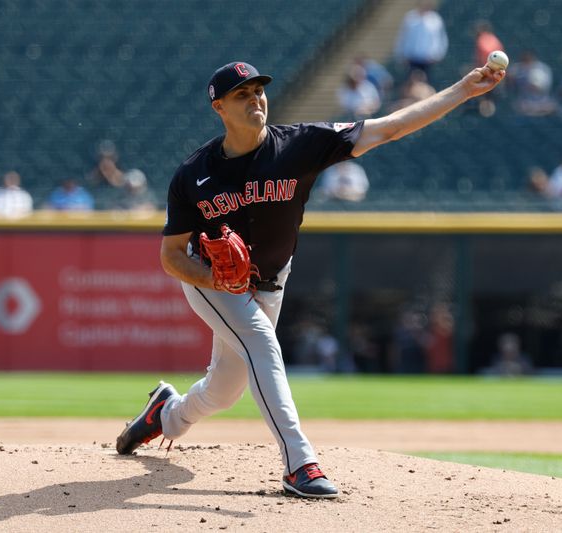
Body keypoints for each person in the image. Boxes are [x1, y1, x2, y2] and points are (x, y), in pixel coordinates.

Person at [115, 59, 504, 499]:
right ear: (219, 107)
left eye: (259, 91)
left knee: (225, 390)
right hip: (209, 282)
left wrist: (463, 91)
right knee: (262, 342)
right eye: (242, 95)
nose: (255, 99)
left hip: (270, 280)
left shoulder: (301, 144)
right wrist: (211, 277)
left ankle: (165, 414)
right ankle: (299, 463)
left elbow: (390, 128)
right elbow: (169, 256)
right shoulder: (194, 175)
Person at [394, 0, 448, 81]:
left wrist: (438, 55)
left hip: (428, 60)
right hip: (411, 59)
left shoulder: (435, 20)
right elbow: (402, 37)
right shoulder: (410, 18)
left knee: (426, 83)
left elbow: (441, 39)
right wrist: (401, 55)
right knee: (411, 83)